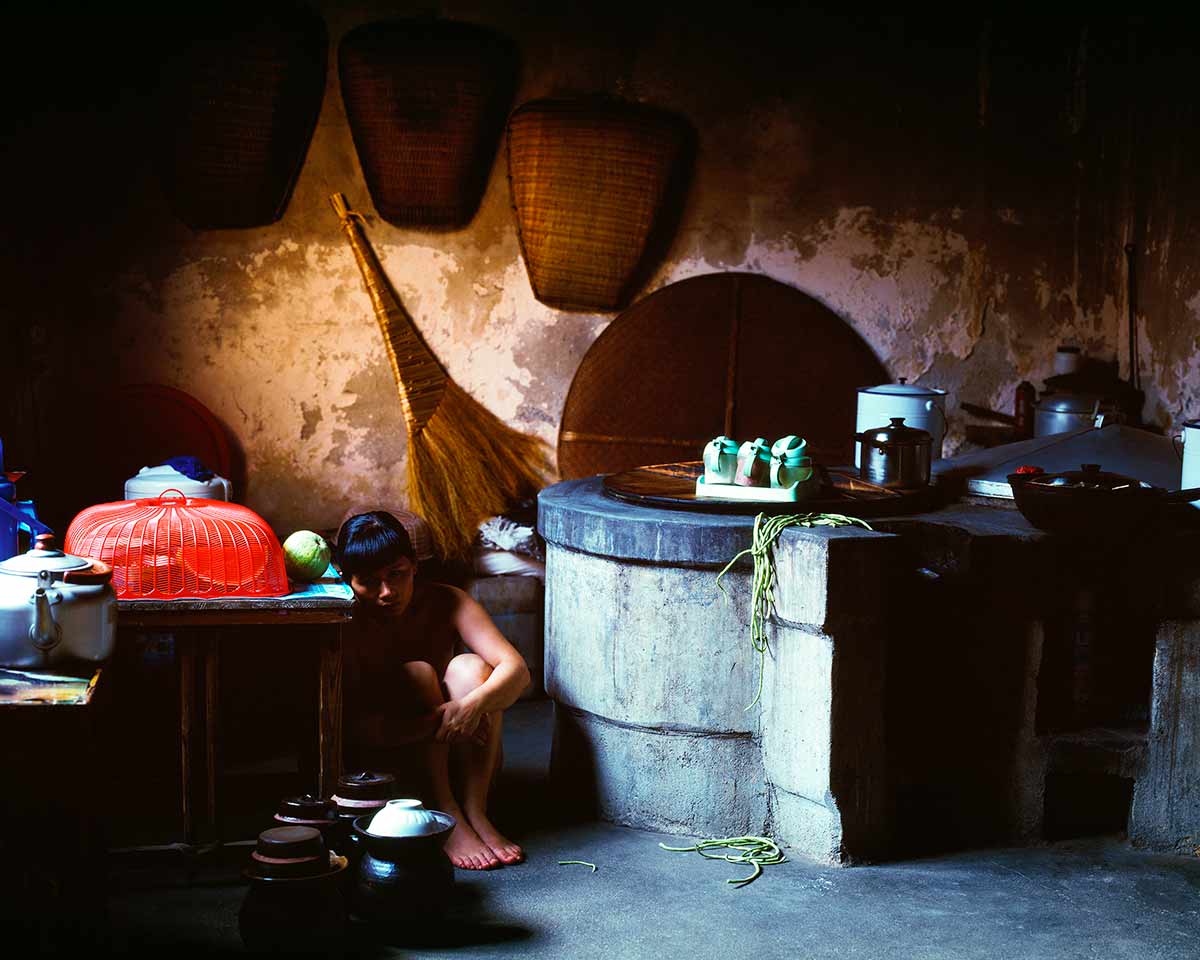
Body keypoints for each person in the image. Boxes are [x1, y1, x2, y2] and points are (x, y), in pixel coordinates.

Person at [335, 510, 531, 870]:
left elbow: (517, 671)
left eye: (397, 575)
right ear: (348, 580)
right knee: (419, 674)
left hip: (464, 762)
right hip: (393, 767)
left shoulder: (447, 601)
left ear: (414, 567)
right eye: (369, 582)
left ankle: (476, 810)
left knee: (470, 669)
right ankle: (444, 811)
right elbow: (356, 731)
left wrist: (472, 705)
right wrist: (433, 723)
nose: (387, 592)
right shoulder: (346, 620)